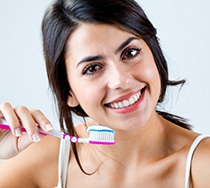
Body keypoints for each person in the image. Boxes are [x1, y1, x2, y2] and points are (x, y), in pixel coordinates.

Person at [0, 0, 210, 187]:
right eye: (93, 68)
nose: (121, 80)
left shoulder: (203, 165)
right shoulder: (45, 159)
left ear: (154, 53)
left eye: (130, 53)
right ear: (68, 92)